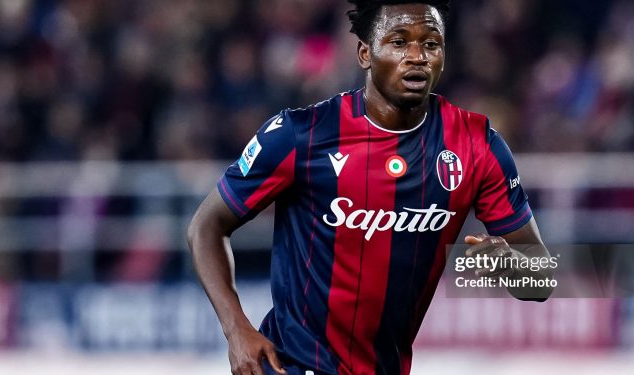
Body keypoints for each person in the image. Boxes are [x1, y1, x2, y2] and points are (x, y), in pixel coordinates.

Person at [187, 1, 553, 374]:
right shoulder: (301, 134)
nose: (417, 56)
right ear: (365, 53)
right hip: (293, 364)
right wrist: (236, 330)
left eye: (431, 44)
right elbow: (206, 226)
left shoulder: (477, 145)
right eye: (399, 42)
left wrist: (508, 265)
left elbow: (541, 279)